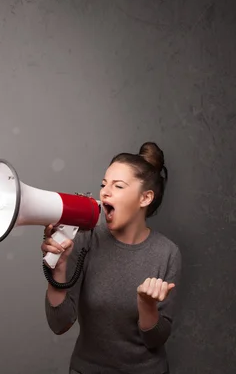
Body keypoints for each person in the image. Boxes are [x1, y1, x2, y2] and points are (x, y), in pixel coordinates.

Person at [42, 142, 182, 374]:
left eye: (118, 186)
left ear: (145, 198)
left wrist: (147, 306)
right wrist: (59, 266)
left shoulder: (167, 253)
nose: (105, 192)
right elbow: (59, 324)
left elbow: (156, 340)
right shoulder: (86, 240)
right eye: (103, 184)